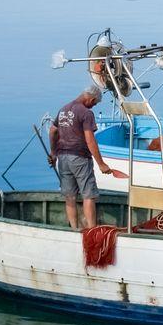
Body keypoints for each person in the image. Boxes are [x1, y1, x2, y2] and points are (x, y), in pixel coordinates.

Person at [48, 86, 112, 229]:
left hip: (63, 158)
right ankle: (92, 230)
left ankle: (74, 228)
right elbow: (90, 140)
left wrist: (53, 153)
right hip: (80, 158)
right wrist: (101, 164)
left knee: (69, 197)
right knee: (88, 195)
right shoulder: (86, 113)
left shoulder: (63, 109)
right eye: (94, 103)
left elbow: (53, 131)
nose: (94, 106)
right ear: (91, 99)